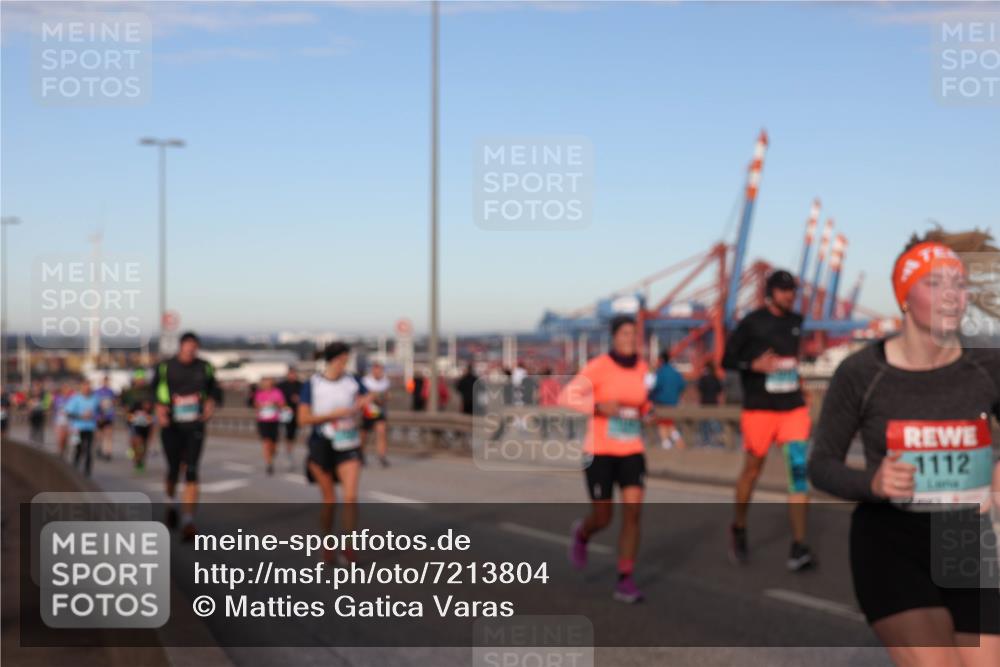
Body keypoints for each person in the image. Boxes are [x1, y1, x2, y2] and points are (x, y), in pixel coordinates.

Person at [809, 230, 1000, 665]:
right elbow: (820, 465)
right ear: (903, 297)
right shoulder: (861, 373)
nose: (951, 295)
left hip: (966, 542)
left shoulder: (987, 366)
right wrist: (873, 482)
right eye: (934, 283)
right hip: (890, 542)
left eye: (958, 283)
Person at [722, 269, 814, 570]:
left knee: (799, 473)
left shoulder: (797, 322)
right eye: (784, 290)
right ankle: (739, 527)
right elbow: (726, 360)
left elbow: (791, 359)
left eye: (793, 290)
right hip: (760, 408)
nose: (790, 295)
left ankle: (799, 547)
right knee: (752, 470)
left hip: (792, 409)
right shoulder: (751, 322)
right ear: (770, 292)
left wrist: (799, 384)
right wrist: (753, 364)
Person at [564, 315, 651, 603]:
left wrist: (648, 411)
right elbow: (567, 396)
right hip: (599, 451)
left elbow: (642, 402)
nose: (629, 339)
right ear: (614, 337)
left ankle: (625, 579)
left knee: (633, 513)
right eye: (624, 334)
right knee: (604, 517)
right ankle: (583, 533)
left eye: (633, 334)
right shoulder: (599, 366)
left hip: (632, 450)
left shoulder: (641, 367)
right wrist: (599, 406)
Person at [298, 342, 374, 565]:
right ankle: (327, 543)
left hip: (348, 443)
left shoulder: (353, 381)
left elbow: (368, 397)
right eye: (342, 360)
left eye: (346, 360)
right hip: (322, 443)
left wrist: (365, 401)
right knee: (330, 500)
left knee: (350, 497)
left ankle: (349, 548)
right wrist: (334, 415)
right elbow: (303, 418)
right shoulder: (313, 383)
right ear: (332, 360)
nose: (345, 365)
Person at [152, 331, 220, 542]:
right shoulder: (166, 367)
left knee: (191, 470)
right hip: (172, 425)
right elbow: (154, 392)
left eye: (194, 347)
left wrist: (210, 405)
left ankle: (188, 521)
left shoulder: (204, 367)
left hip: (195, 425)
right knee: (173, 470)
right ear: (181, 347)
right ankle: (170, 502)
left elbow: (214, 391)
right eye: (187, 347)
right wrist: (160, 411)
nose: (191, 351)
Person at [649, 350, 687, 450]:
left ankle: (667, 446)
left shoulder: (660, 372)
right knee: (669, 424)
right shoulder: (675, 372)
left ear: (661, 360)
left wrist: (650, 398)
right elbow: (682, 385)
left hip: (661, 402)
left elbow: (655, 386)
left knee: (662, 425)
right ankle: (678, 443)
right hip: (673, 403)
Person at [65, 380, 100, 477]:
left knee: (89, 450)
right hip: (77, 429)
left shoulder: (95, 399)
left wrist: (95, 416)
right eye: (85, 388)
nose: (87, 390)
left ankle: (87, 473)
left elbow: (99, 413)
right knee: (78, 449)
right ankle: (75, 469)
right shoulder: (75, 399)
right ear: (81, 388)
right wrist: (81, 416)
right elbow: (68, 413)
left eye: (88, 388)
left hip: (90, 428)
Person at [123, 371, 155, 472]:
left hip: (147, 420)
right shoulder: (129, 392)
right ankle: (136, 459)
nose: (140, 381)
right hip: (133, 420)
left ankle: (141, 460)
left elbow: (154, 405)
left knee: (144, 442)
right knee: (136, 441)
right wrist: (128, 413)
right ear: (135, 379)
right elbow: (125, 405)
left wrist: (149, 408)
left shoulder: (149, 391)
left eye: (142, 379)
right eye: (139, 379)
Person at [253, 376, 286, 475]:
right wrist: (263, 405)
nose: (267, 384)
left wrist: (275, 404)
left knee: (274, 445)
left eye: (269, 382)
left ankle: (272, 455)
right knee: (266, 442)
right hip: (263, 420)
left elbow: (283, 404)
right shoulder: (259, 393)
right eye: (265, 383)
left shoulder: (277, 392)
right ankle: (269, 463)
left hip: (274, 420)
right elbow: (256, 405)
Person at [361, 362, 391, 467]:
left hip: (379, 410)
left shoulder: (385, 381)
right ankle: (361, 454)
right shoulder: (366, 381)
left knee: (381, 433)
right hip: (367, 411)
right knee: (364, 435)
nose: (379, 372)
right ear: (373, 370)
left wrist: (378, 396)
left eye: (381, 370)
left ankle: (382, 456)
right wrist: (374, 395)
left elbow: (387, 395)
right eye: (377, 370)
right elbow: (365, 395)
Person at [277, 368, 304, 470]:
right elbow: (277, 398)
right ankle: (288, 454)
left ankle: (290, 452)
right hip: (286, 412)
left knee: (293, 434)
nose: (292, 376)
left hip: (297, 412)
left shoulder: (300, 385)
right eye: (290, 374)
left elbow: (305, 398)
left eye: (294, 374)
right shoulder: (281, 385)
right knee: (287, 432)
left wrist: (298, 399)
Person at [696, 361, 725, 447]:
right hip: (713, 403)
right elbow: (720, 390)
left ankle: (706, 440)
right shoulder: (715, 378)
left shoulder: (703, 379)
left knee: (704, 423)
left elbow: (699, 390)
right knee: (715, 422)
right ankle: (720, 437)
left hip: (704, 403)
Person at [94, 375, 117, 461]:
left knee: (108, 435)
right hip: (99, 417)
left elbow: (114, 402)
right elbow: (95, 404)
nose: (106, 383)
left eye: (107, 381)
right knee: (99, 435)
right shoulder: (97, 392)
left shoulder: (111, 392)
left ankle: (108, 452)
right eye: (104, 381)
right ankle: (99, 448)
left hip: (108, 416)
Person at [26, 379, 51, 444]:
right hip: (33, 413)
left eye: (37, 385)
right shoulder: (30, 393)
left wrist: (46, 410)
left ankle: (40, 440)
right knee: (33, 426)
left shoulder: (44, 394)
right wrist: (29, 409)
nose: (36, 387)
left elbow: (47, 403)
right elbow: (28, 403)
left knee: (40, 427)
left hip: (41, 412)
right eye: (34, 386)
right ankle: (32, 439)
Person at [52, 383, 73, 459]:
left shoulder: (72, 399)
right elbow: (55, 409)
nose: (66, 391)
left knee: (66, 440)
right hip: (59, 422)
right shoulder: (57, 398)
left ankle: (64, 453)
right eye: (65, 389)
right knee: (60, 439)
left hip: (69, 422)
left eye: (67, 389)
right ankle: (60, 453)